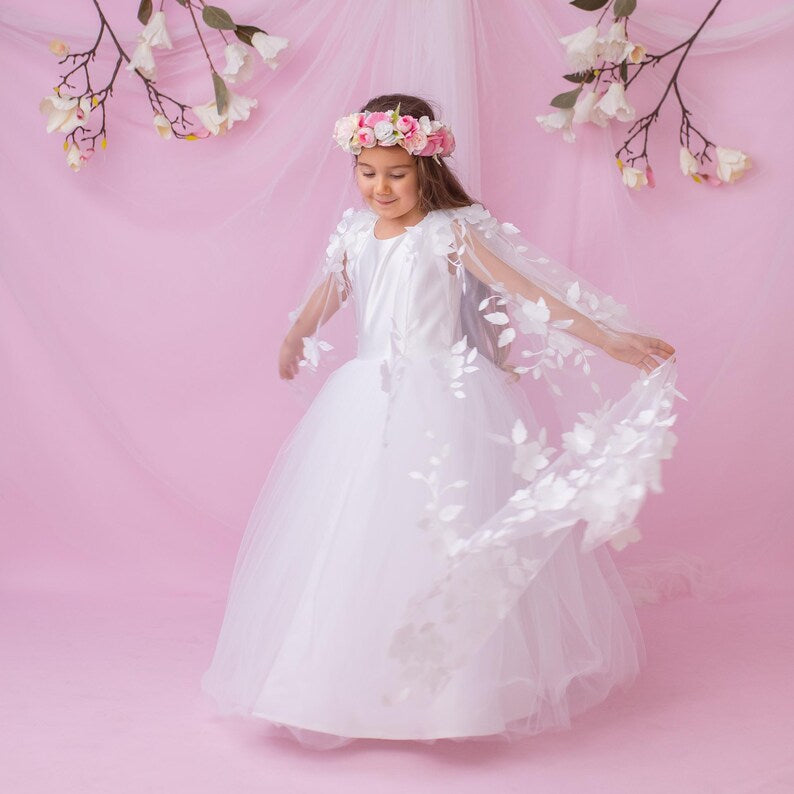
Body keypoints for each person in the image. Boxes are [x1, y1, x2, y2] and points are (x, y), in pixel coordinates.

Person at [201, 93, 680, 750]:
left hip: (444, 399)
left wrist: (610, 339)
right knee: (354, 534)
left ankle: (455, 699)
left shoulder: (447, 233)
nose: (381, 186)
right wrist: (297, 333)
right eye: (368, 171)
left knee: (439, 532)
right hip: (365, 399)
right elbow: (331, 288)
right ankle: (329, 686)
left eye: (396, 173)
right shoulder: (353, 233)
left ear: (425, 169)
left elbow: (527, 291)